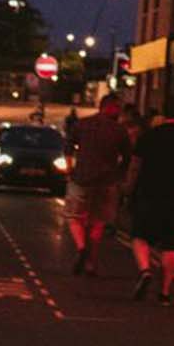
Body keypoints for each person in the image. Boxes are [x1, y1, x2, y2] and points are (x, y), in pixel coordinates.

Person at [125, 106, 174, 305]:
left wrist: (128, 189)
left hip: (149, 193)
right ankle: (164, 292)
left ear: (163, 117)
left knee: (140, 236)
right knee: (172, 245)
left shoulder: (149, 136)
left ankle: (145, 270)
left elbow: (135, 165)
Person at [64, 94, 132, 275]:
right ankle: (91, 264)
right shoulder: (119, 130)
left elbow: (68, 146)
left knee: (74, 217)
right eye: (117, 108)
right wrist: (120, 175)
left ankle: (80, 248)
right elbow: (127, 158)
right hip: (107, 181)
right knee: (97, 223)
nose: (119, 112)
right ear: (109, 107)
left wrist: (70, 169)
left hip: (81, 178)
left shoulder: (83, 124)